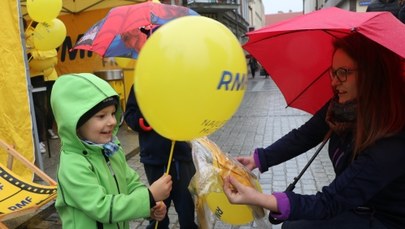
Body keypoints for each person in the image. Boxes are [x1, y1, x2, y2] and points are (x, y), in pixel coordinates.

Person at [222, 32, 405, 228]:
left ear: (371, 74)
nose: (335, 82)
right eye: (333, 73)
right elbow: (304, 135)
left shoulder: (392, 139)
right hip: (353, 205)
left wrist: (260, 198)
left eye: (343, 72)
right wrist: (258, 159)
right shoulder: (341, 109)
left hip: (383, 219)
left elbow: (329, 202)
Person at [50, 73, 173, 228]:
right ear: (75, 122)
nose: (112, 121)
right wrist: (149, 197)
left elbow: (131, 182)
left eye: (113, 113)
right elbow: (101, 208)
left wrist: (149, 206)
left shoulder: (111, 149)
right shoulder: (73, 164)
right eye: (101, 116)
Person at [124, 84, 199, 229]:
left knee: (186, 210)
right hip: (154, 159)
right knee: (158, 211)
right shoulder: (142, 84)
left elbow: (195, 110)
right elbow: (130, 116)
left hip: (182, 159)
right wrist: (148, 116)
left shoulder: (185, 81)